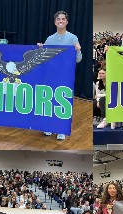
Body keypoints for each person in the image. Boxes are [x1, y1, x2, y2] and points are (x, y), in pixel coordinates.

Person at [39, 11, 82, 141]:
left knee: (62, 101)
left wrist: (78, 50)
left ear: (67, 21)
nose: (61, 21)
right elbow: (43, 58)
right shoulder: (50, 39)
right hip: (51, 75)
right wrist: (40, 49)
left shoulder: (73, 38)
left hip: (65, 76)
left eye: (63, 19)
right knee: (49, 100)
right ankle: (48, 126)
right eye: (58, 19)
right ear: (55, 22)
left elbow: (78, 59)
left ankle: (61, 129)